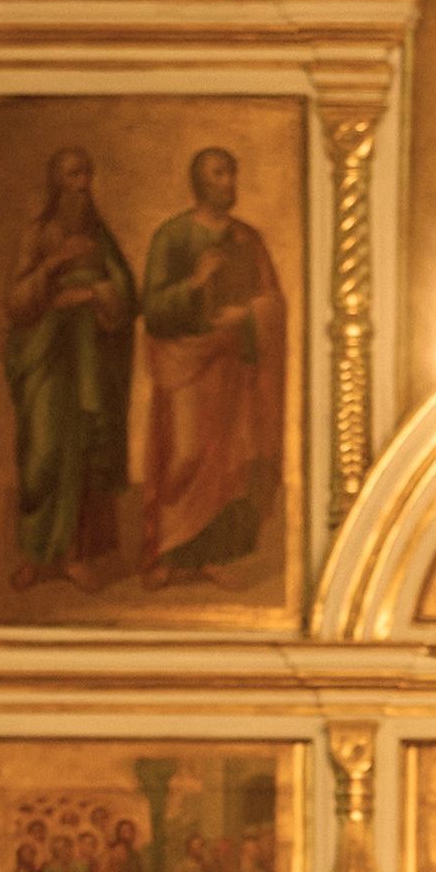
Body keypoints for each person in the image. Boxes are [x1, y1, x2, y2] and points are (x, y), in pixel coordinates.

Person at [138, 145, 287, 584]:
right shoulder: (172, 236)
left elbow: (271, 299)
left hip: (232, 361)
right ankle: (163, 552)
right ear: (199, 182)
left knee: (228, 463)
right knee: (184, 455)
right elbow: (153, 308)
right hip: (186, 359)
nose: (229, 182)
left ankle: (209, 554)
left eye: (232, 173)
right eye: (220, 174)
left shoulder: (247, 238)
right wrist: (195, 283)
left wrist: (248, 315)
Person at [2, 145, 137, 593]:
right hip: (47, 356)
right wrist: (57, 266)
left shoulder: (101, 237)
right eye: (73, 175)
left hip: (90, 360)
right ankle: (36, 554)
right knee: (42, 453)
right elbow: (17, 303)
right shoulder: (37, 233)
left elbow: (125, 293)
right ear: (56, 183)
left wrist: (99, 294)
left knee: (81, 454)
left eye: (87, 174)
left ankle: (74, 555)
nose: (82, 184)